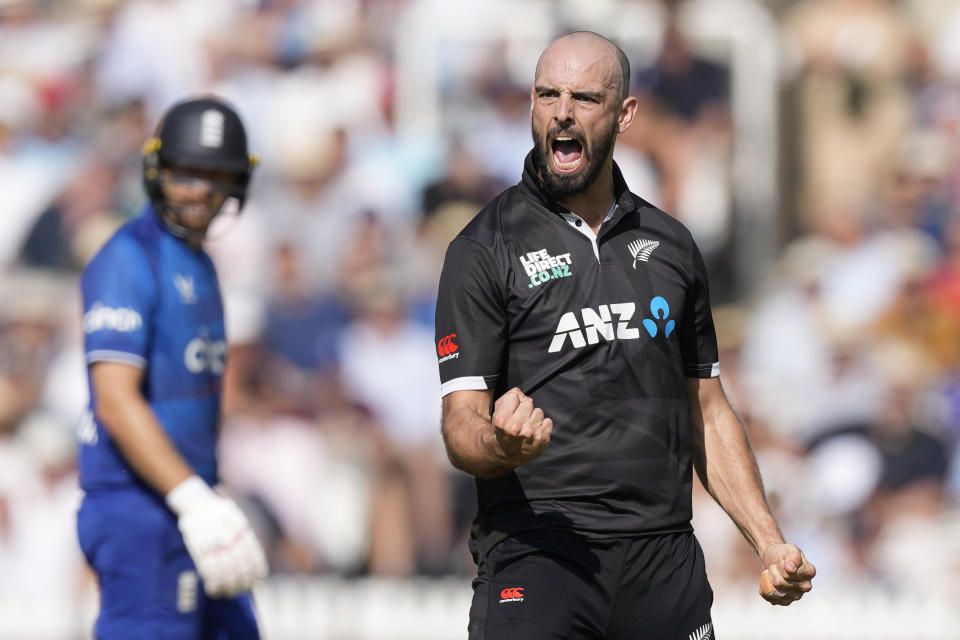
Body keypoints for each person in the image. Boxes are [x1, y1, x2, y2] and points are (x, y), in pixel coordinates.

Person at [435, 32, 816, 639]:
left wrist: (768, 543)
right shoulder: (484, 248)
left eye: (584, 97)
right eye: (546, 94)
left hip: (664, 566)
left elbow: (708, 412)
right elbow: (460, 424)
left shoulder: (672, 245)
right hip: (540, 559)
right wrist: (504, 446)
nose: (562, 111)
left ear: (625, 114)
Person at [77, 96, 267, 639]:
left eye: (216, 175)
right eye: (187, 172)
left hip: (187, 500)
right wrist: (191, 499)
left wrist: (202, 497)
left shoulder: (199, 261)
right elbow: (115, 399)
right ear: (158, 168)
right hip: (140, 506)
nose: (201, 189)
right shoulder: (127, 257)